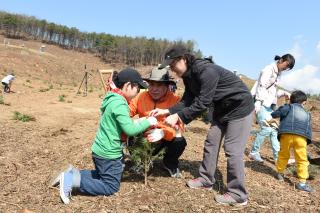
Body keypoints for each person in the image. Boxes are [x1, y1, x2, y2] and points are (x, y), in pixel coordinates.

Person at [150, 45, 254, 206]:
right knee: (211, 143)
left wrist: (178, 116)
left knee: (232, 150)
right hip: (222, 110)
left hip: (240, 109)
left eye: (172, 65)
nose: (171, 69)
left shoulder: (206, 71)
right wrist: (166, 111)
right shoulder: (188, 76)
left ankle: (238, 194)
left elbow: (203, 102)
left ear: (183, 59)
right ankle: (206, 179)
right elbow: (187, 101)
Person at [51, 68, 158, 204]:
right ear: (127, 85)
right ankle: (71, 180)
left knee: (105, 175)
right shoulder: (120, 103)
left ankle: (71, 173)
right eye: (137, 87)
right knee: (110, 186)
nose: (139, 91)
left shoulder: (113, 98)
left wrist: (142, 120)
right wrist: (149, 121)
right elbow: (130, 130)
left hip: (100, 150)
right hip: (109, 153)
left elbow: (122, 124)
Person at [129, 66, 186, 178]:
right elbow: (126, 114)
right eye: (152, 85)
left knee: (180, 140)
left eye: (159, 85)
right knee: (130, 133)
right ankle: (140, 162)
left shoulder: (175, 100)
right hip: (144, 137)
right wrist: (139, 122)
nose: (154, 89)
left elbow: (180, 127)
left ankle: (169, 163)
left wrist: (164, 132)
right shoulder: (141, 97)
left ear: (167, 86)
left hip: (165, 141)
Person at [249, 54, 295, 162]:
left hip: (268, 105)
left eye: (288, 68)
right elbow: (262, 86)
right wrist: (258, 103)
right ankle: (254, 152)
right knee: (266, 128)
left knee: (274, 130)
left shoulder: (278, 73)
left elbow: (271, 92)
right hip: (261, 103)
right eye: (286, 65)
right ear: (281, 60)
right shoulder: (269, 69)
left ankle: (278, 157)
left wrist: (283, 93)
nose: (285, 69)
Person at [271, 90, 315, 192]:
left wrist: (284, 105)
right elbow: (308, 128)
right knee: (302, 160)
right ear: (304, 102)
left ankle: (280, 173)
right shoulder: (307, 113)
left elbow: (275, 114)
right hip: (301, 138)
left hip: (286, 135)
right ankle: (302, 183)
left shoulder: (288, 107)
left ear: (291, 100)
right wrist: (307, 141)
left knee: (283, 154)